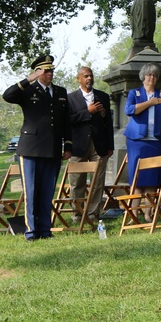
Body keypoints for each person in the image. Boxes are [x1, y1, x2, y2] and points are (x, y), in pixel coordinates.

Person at [2, 54, 73, 240]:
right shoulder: (27, 90)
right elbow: (7, 95)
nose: (50, 74)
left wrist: (68, 146)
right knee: (32, 192)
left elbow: (66, 122)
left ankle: (44, 229)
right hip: (31, 148)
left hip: (52, 149)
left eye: (51, 70)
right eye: (46, 71)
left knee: (47, 191)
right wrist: (28, 80)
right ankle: (31, 231)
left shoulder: (60, 92)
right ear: (37, 72)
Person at [123, 63, 161, 220]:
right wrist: (150, 103)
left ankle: (148, 213)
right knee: (137, 179)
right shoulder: (135, 93)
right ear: (143, 77)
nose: (151, 77)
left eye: (154, 75)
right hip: (137, 142)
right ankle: (133, 214)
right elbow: (129, 110)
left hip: (155, 142)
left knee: (152, 180)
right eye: (149, 75)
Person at [67, 66, 114, 222]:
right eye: (85, 76)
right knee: (76, 181)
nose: (89, 79)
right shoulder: (70, 98)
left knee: (97, 181)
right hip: (78, 145)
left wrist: (110, 146)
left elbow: (108, 122)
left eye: (91, 76)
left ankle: (93, 213)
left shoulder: (103, 96)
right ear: (79, 79)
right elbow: (68, 120)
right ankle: (77, 213)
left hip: (99, 145)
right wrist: (88, 112)